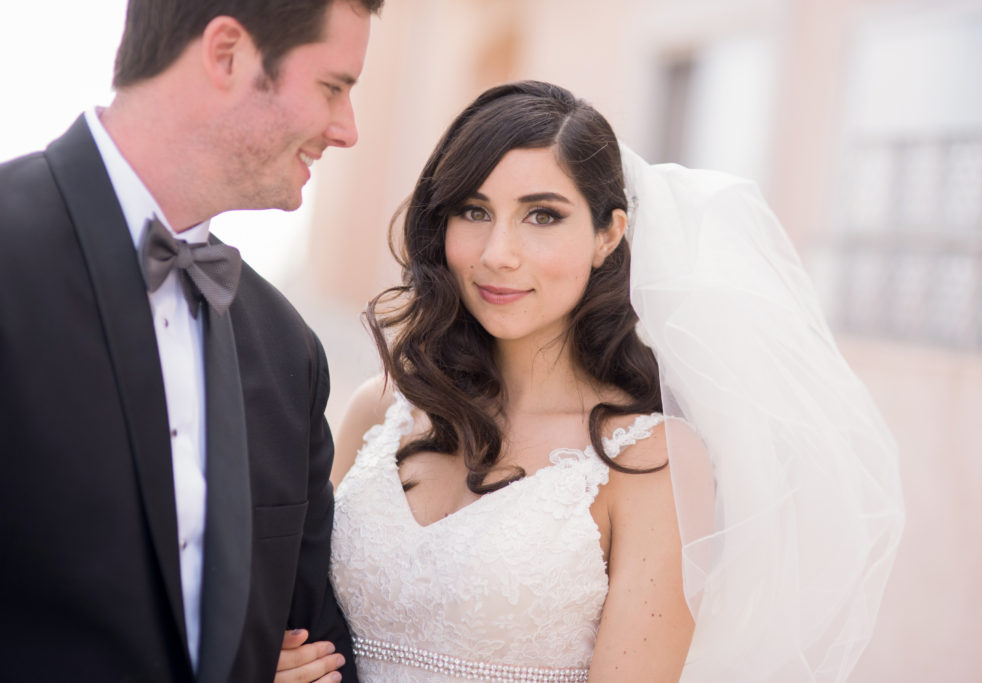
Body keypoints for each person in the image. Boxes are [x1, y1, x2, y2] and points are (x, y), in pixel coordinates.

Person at [286, 80, 904, 681]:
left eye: (542, 216)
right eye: (474, 211)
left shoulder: (650, 461)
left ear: (608, 234)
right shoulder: (380, 410)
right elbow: (299, 614)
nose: (498, 253)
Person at [0, 1, 381, 681]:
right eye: (333, 86)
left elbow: (320, 640)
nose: (347, 128)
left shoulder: (288, 351)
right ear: (227, 54)